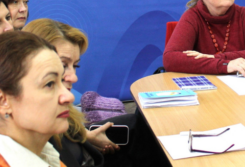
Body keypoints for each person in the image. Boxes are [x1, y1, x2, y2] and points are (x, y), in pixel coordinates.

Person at [25, 18, 168, 167]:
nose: (73, 77)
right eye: (63, 65)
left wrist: (85, 136)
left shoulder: (58, 114)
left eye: (75, 66)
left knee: (136, 125)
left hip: (87, 152)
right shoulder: (35, 132)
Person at [0, 31, 73, 166]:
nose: (68, 97)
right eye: (49, 84)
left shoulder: (43, 155)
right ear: (2, 101)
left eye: (61, 80)